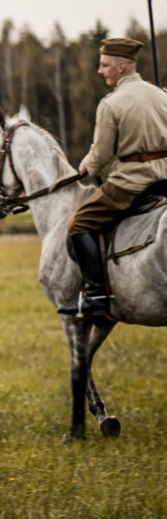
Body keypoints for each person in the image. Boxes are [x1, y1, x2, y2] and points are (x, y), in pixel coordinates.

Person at [59, 37, 167, 317]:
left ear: (121, 67)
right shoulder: (161, 95)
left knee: (78, 224)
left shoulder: (111, 104)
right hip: (164, 179)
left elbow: (101, 153)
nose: (100, 70)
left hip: (132, 183)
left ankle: (96, 295)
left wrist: (86, 167)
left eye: (105, 65)